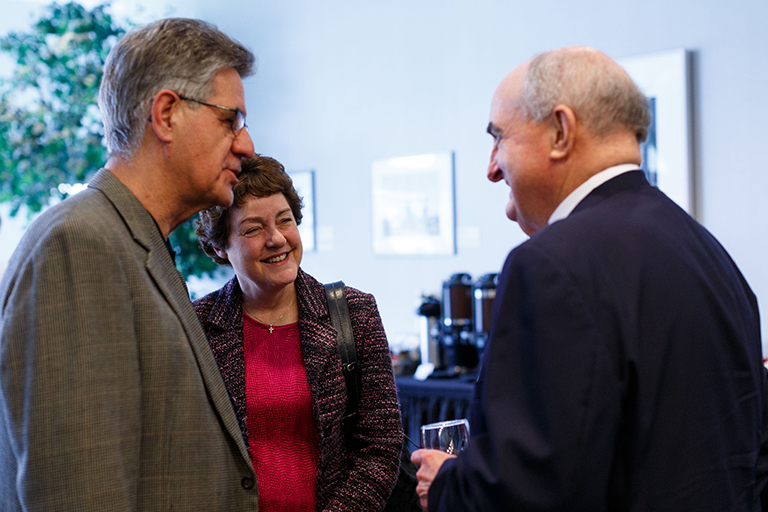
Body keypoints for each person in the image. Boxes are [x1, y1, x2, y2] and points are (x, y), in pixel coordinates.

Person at [411, 46, 767, 511]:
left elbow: (526, 493)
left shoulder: (550, 266)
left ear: (561, 131)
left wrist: (445, 485)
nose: (492, 167)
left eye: (498, 137)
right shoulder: (710, 254)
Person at [0, 18, 258, 510]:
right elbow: (80, 492)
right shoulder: (79, 247)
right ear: (166, 115)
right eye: (231, 120)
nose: (245, 145)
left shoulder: (131, 241)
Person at [193, 154, 403, 511]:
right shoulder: (197, 325)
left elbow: (380, 444)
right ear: (220, 247)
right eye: (253, 229)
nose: (277, 239)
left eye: (285, 221)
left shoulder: (353, 313)